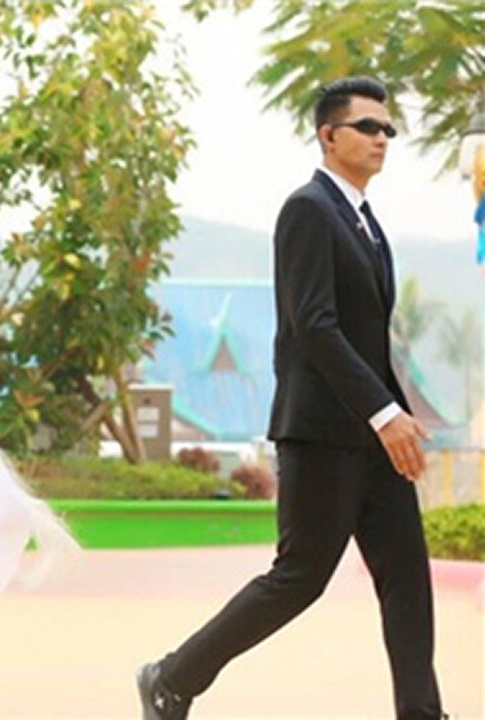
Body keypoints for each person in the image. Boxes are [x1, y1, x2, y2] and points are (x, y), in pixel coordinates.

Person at [136, 77, 445, 719]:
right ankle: (172, 677)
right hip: (322, 433)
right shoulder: (307, 210)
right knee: (299, 578)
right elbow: (314, 324)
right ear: (329, 135)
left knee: (408, 580)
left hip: (374, 438)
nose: (382, 138)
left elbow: (366, 338)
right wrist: (382, 411)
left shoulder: (366, 223)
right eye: (368, 126)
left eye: (388, 128)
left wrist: (395, 413)